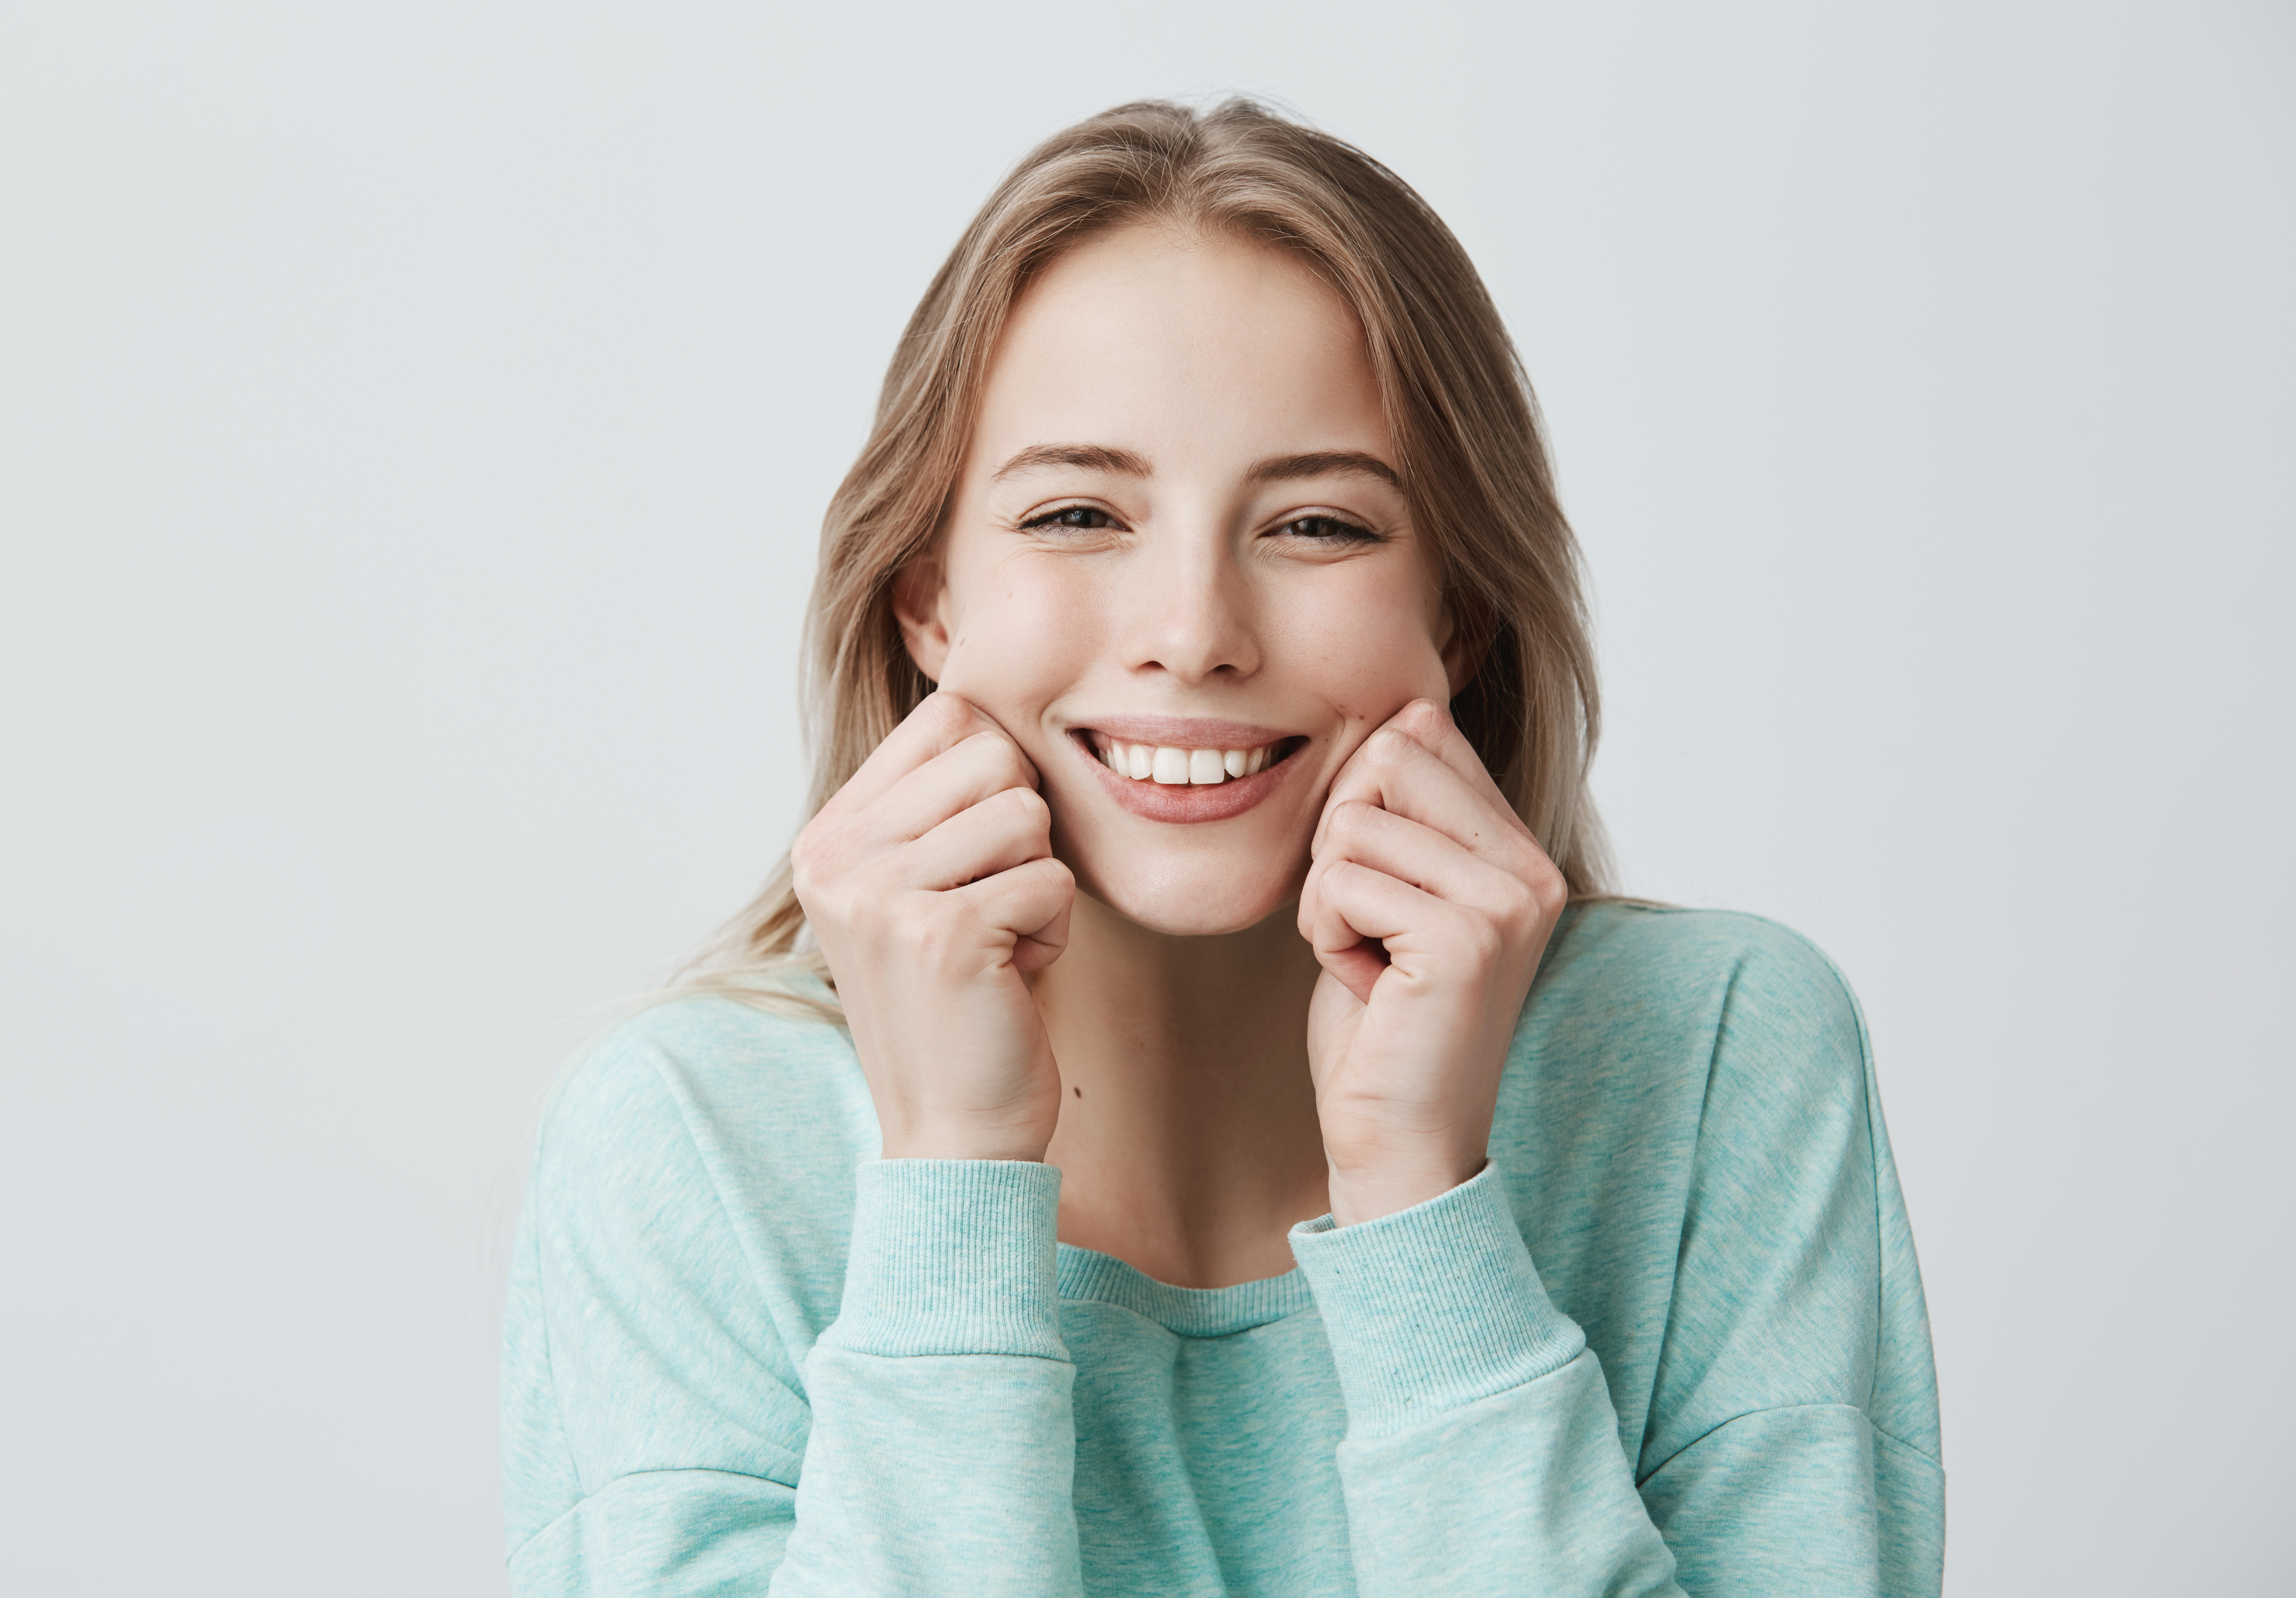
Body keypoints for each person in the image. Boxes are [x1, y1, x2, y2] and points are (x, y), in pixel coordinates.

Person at [500, 98, 1943, 1597]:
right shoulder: (685, 1140)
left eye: (1318, 526)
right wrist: (950, 1193)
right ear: (929, 602)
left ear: (1456, 608)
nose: (1192, 636)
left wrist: (1423, 1215)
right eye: (1075, 514)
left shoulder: (1713, 1061)